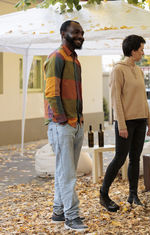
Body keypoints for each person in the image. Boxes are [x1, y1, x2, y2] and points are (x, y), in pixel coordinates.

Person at [100, 34, 150, 212]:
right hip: (126, 122)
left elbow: (143, 98)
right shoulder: (118, 70)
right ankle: (103, 194)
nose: (143, 53)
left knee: (135, 159)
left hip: (140, 122)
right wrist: (121, 124)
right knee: (120, 158)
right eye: (141, 49)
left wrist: (149, 121)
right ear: (132, 51)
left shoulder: (138, 70)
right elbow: (115, 99)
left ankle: (133, 195)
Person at [44, 20, 88, 231]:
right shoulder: (57, 57)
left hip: (75, 123)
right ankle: (72, 216)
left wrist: (78, 120)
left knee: (64, 171)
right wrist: (62, 120)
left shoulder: (75, 60)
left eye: (81, 33)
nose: (80, 36)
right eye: (75, 32)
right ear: (63, 33)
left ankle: (58, 211)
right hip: (62, 125)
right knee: (67, 173)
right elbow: (52, 93)